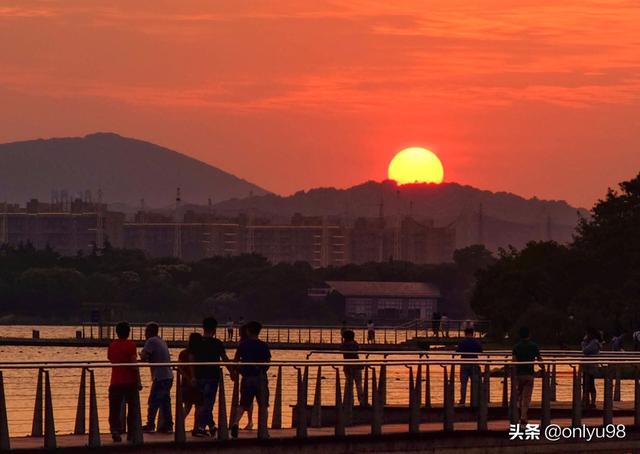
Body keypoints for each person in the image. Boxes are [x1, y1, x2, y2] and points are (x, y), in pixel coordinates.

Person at [231, 321, 271, 439]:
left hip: (247, 377)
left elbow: (236, 359)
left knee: (243, 404)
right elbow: (268, 362)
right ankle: (264, 429)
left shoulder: (243, 345)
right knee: (263, 405)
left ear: (248, 331)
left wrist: (236, 370)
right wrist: (262, 370)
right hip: (260, 377)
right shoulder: (263, 345)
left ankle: (235, 423)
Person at [192, 317, 230, 437]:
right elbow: (224, 358)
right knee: (208, 403)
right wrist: (232, 371)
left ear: (203, 328)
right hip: (212, 376)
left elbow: (191, 359)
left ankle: (211, 426)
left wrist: (192, 376)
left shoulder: (197, 343)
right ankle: (201, 427)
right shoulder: (217, 343)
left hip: (199, 376)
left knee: (202, 403)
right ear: (215, 329)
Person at [108, 321, 141, 443]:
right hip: (129, 382)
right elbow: (134, 364)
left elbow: (111, 360)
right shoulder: (131, 345)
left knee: (114, 408)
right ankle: (131, 433)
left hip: (115, 381)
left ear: (117, 332)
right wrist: (139, 380)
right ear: (128, 332)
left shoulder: (112, 346)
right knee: (132, 408)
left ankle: (115, 430)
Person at [139, 322, 173, 434]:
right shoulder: (161, 340)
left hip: (160, 376)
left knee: (153, 401)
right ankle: (168, 425)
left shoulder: (151, 341)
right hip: (168, 375)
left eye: (145, 331)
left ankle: (150, 424)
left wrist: (141, 354)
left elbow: (143, 356)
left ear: (149, 332)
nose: (144, 334)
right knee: (165, 402)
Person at [512, 326, 542, 425]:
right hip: (529, 374)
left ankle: (517, 414)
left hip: (519, 375)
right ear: (529, 334)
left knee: (519, 395)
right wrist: (544, 368)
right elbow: (539, 360)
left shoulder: (516, 347)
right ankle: (523, 416)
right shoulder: (534, 346)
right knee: (526, 397)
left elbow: (514, 361)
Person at [178, 332, 203, 420]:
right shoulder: (199, 354)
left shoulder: (183, 353)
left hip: (185, 382)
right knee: (199, 405)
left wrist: (187, 378)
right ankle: (196, 427)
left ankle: (180, 424)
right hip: (198, 381)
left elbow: (180, 368)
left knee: (187, 406)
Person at [456, 327, 483, 406]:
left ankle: (462, 401)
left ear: (465, 334)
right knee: (475, 384)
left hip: (464, 363)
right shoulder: (476, 342)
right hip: (474, 364)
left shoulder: (462, 342)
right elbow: (480, 351)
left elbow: (458, 351)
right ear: (473, 333)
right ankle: (475, 401)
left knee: (463, 384)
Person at [340, 330, 365, 407]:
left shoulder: (344, 345)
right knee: (359, 385)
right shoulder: (355, 344)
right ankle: (362, 401)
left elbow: (340, 349)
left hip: (348, 366)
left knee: (349, 385)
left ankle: (350, 402)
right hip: (357, 366)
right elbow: (358, 348)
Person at [582, 327, 602, 409]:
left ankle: (591, 402)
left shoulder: (594, 343)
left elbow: (585, 351)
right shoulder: (593, 342)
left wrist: (583, 343)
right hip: (588, 366)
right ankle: (586, 401)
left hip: (590, 366)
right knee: (587, 383)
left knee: (590, 384)